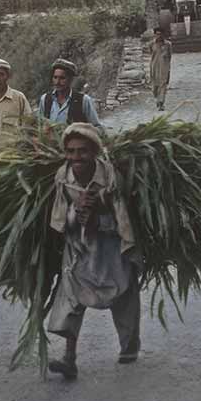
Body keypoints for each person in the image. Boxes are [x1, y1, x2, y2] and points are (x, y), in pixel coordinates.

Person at [47, 123, 142, 380]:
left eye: (83, 151)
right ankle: (69, 358)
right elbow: (58, 218)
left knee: (123, 293)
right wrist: (75, 213)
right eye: (70, 151)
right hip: (79, 247)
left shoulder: (110, 178)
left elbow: (124, 219)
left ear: (94, 152)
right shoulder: (63, 177)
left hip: (110, 246)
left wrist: (99, 215)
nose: (76, 157)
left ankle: (129, 347)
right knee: (70, 297)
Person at [36, 58, 103, 129]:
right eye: (55, 77)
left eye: (62, 78)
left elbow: (98, 128)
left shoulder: (84, 101)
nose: (57, 82)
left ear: (71, 79)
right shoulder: (45, 99)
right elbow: (39, 126)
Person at [149, 27, 173, 111]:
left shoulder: (168, 44)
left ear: (163, 35)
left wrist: (168, 67)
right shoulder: (151, 44)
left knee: (163, 85)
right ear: (155, 35)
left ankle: (161, 103)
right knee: (155, 86)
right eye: (157, 34)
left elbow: (170, 56)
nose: (159, 36)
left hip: (164, 68)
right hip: (154, 67)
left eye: (160, 34)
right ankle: (157, 97)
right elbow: (151, 55)